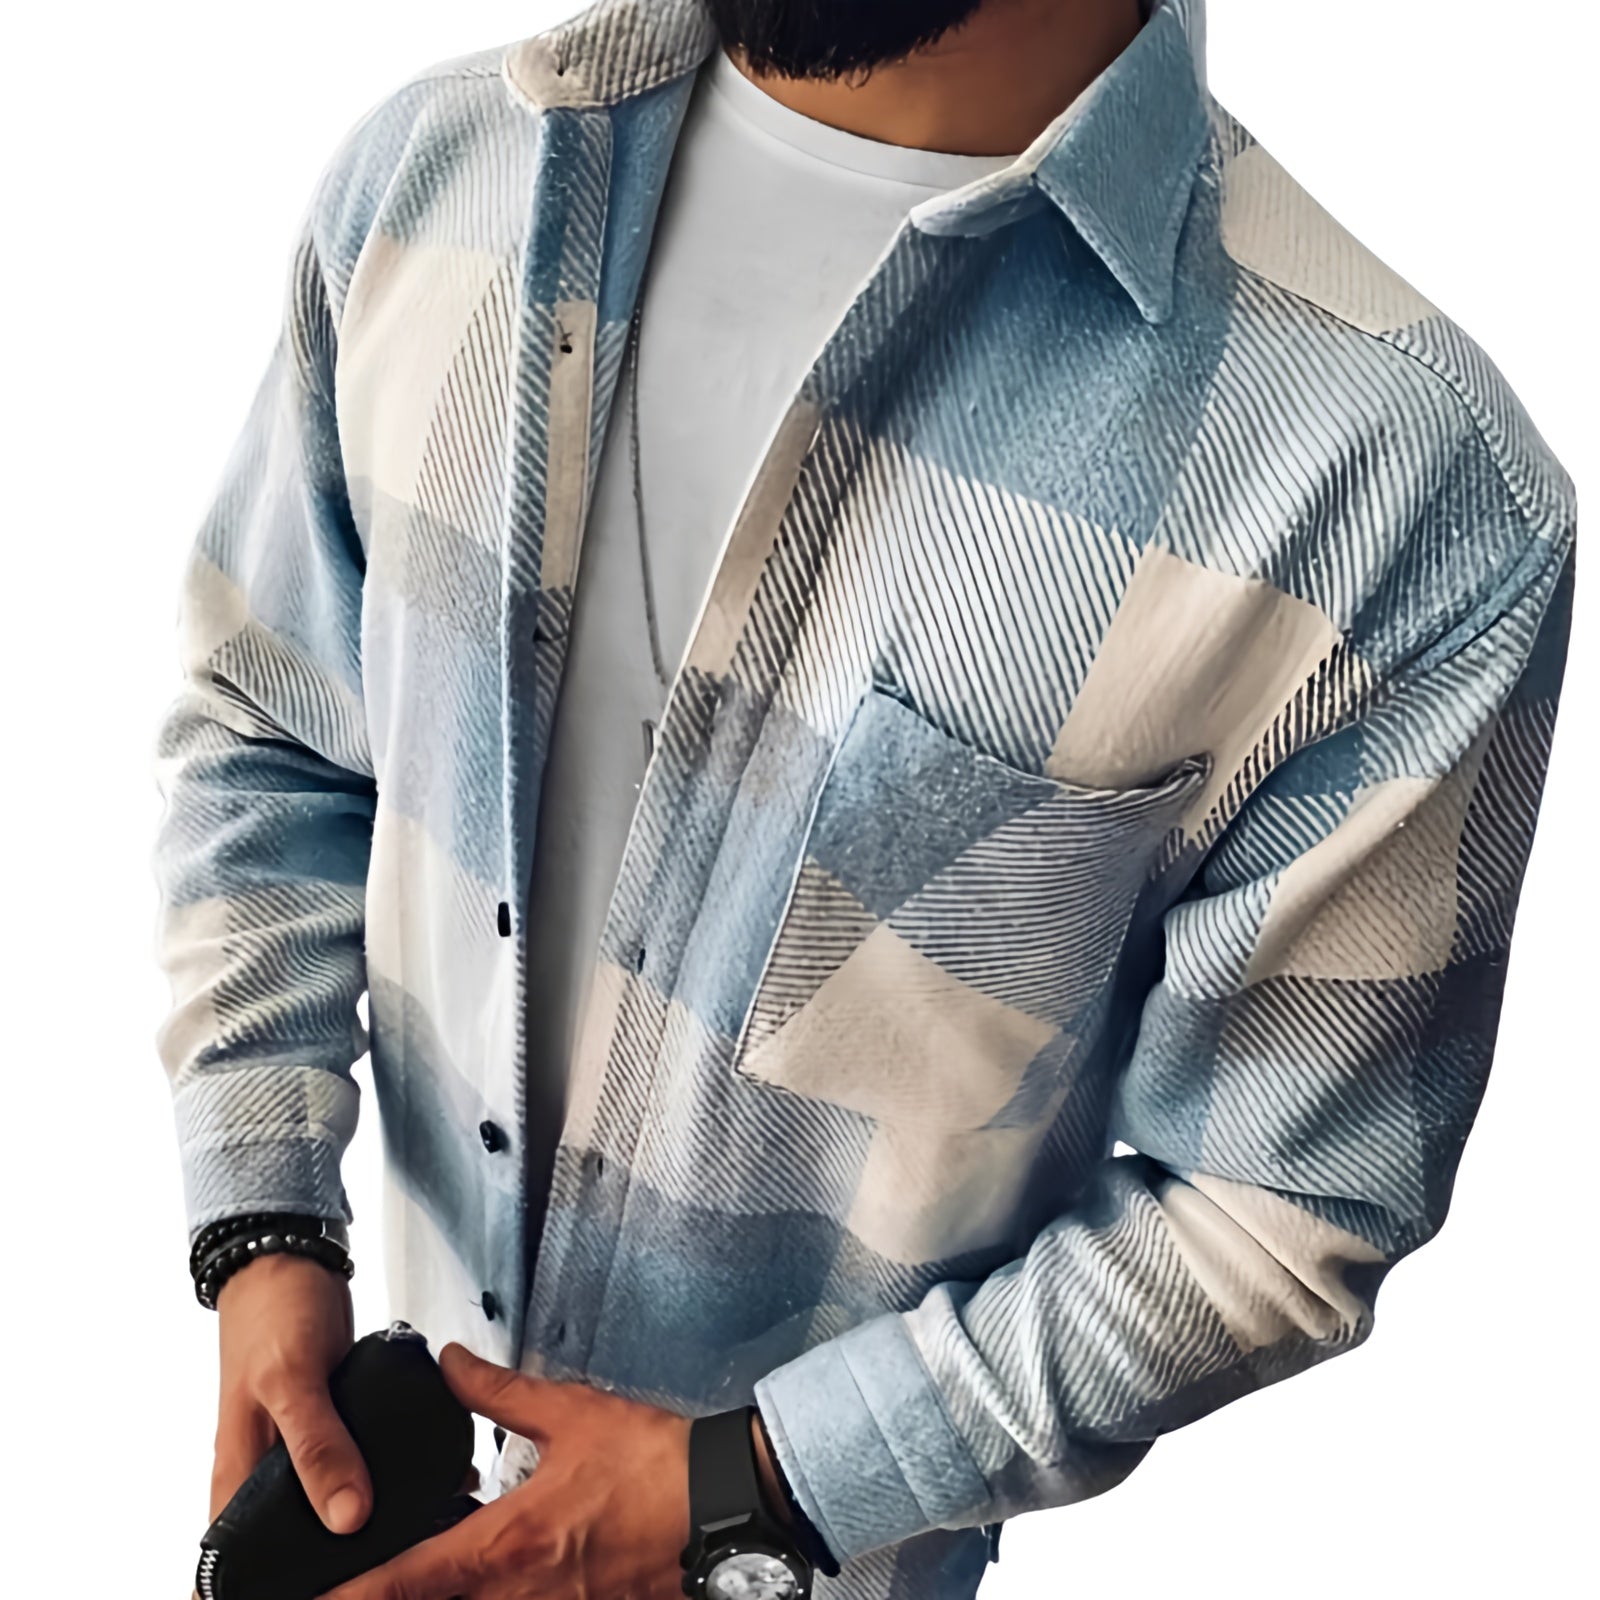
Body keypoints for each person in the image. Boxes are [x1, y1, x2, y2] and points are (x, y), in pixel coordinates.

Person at [151, 0, 1577, 1597]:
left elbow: (1274, 1212)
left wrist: (742, 1485)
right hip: (379, 1508)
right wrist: (265, 1227)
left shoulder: (1405, 492)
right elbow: (273, 728)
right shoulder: (433, 175)